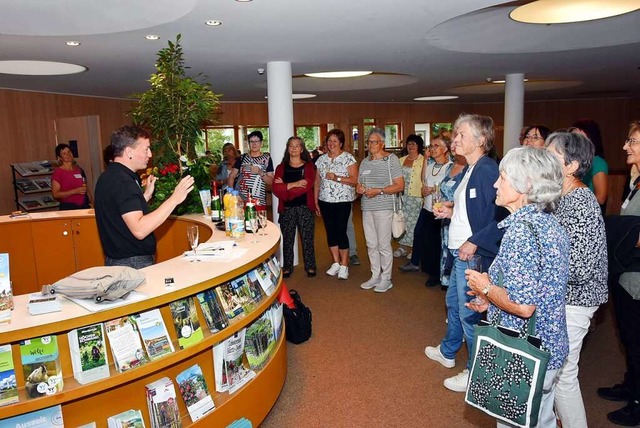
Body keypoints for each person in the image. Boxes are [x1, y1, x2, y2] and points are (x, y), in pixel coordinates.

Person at [466, 147, 570, 428]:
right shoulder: (548, 222)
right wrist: (491, 301)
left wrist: (485, 287)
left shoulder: (522, 231)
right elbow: (536, 288)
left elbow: (524, 307)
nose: (495, 184)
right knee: (542, 420)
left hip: (525, 352)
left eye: (502, 177)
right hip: (549, 347)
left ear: (526, 185)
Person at [425, 113, 505, 392]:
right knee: (454, 305)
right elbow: (474, 208)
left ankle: (474, 372)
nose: (455, 139)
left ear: (481, 140)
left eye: (461, 135)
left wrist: (475, 241)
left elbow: (501, 217)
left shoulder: (486, 169)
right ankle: (449, 351)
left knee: (470, 313)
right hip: (459, 251)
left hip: (474, 254)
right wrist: (451, 210)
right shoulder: (471, 168)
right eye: (455, 134)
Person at [546, 132, 608, 427]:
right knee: (556, 373)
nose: (543, 159)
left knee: (563, 375)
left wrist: (539, 270)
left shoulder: (581, 202)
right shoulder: (560, 196)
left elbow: (581, 269)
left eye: (552, 155)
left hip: (577, 300)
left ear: (571, 166)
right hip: (562, 297)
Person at [94, 125, 194, 268]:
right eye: (146, 149)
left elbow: (121, 212)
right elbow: (139, 230)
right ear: (129, 152)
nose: (150, 154)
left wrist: (144, 196)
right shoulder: (123, 182)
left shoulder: (108, 176)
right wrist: (174, 199)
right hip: (132, 264)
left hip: (117, 261)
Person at [599, 119, 640, 426]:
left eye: (633, 142)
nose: (625, 146)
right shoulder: (635, 181)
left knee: (638, 340)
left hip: (638, 277)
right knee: (628, 335)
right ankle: (631, 385)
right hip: (627, 275)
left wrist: (612, 229)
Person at [399, 134, 452, 289]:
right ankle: (422, 265)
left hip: (440, 211)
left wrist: (434, 190)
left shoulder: (449, 168)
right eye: (431, 146)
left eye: (436, 146)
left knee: (435, 242)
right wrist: (425, 190)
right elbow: (423, 185)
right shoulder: (429, 166)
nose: (432, 149)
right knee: (420, 234)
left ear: (445, 149)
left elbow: (450, 190)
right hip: (426, 208)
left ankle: (436, 274)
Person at [356, 128, 404, 293]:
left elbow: (399, 185)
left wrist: (379, 190)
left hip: (384, 207)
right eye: (369, 142)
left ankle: (386, 278)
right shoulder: (364, 162)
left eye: (374, 142)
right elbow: (359, 184)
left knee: (383, 244)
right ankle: (375, 275)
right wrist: (360, 188)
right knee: (371, 244)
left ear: (382, 143)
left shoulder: (391, 160)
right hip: (366, 207)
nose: (370, 145)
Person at [314, 128, 358, 280]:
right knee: (330, 231)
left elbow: (354, 180)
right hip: (325, 200)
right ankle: (336, 262)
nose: (331, 144)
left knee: (341, 231)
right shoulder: (321, 160)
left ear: (341, 143)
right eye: (329, 141)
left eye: (335, 141)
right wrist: (315, 201)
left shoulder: (348, 158)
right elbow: (317, 182)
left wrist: (337, 178)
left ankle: (345, 265)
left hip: (343, 201)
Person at [272, 136, 317, 278]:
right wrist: (293, 184)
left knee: (307, 239)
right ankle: (287, 267)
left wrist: (285, 190)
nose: (294, 148)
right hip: (287, 209)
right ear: (288, 148)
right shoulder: (281, 168)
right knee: (288, 239)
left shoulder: (308, 166)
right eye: (291, 146)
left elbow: (307, 186)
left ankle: (310, 266)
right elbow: (275, 188)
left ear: (302, 149)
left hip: (305, 207)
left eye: (297, 146)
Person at [393, 134, 426, 259]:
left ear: (419, 146)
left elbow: (425, 179)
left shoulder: (423, 161)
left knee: (414, 224)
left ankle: (414, 248)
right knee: (401, 221)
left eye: (414, 144)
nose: (411, 146)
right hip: (401, 196)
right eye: (409, 144)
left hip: (416, 197)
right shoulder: (401, 160)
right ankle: (402, 247)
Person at [438, 149, 467, 289]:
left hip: (458, 217)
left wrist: (451, 206)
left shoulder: (468, 169)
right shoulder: (449, 167)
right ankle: (450, 286)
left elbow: (467, 200)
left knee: (458, 255)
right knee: (446, 250)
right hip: (445, 218)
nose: (456, 147)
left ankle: (456, 288)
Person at [571, 118, 609, 213]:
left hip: (589, 213)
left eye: (579, 137)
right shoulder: (571, 162)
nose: (575, 141)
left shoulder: (597, 162)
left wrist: (576, 202)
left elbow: (601, 198)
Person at [227, 131, 274, 206]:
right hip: (241, 200)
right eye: (251, 141)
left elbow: (271, 181)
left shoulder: (267, 159)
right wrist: (232, 193)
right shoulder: (242, 157)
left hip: (259, 201)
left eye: (257, 141)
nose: (254, 144)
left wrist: (260, 172)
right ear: (248, 143)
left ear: (261, 143)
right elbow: (232, 176)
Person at [51, 143, 91, 210]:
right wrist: (74, 191)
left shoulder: (79, 170)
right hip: (68, 207)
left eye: (69, 152)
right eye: (64, 153)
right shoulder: (58, 173)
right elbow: (55, 194)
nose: (68, 154)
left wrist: (92, 203)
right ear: (59, 157)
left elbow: (86, 188)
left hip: (84, 205)